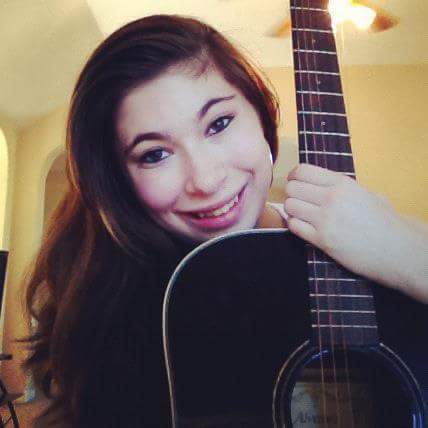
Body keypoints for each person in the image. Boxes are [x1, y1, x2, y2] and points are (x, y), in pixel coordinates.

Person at [22, 14, 428, 427]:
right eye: (154, 154)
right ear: (118, 180)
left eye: (218, 124)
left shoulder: (388, 240)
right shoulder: (111, 302)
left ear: (262, 113)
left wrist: (405, 250)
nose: (206, 179)